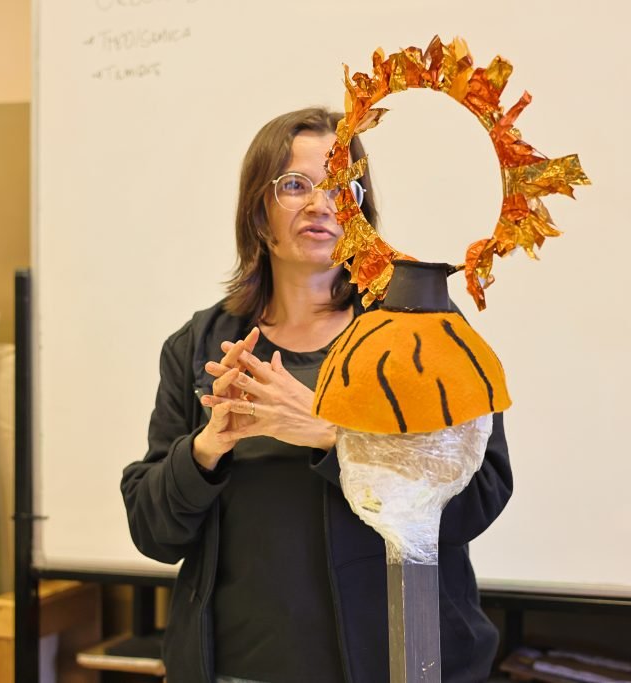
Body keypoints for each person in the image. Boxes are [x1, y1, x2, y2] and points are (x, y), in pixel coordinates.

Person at [120, 107, 514, 683]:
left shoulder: (423, 327)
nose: (320, 203)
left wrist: (335, 436)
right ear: (257, 212)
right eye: (295, 185)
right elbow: (154, 531)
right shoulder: (199, 345)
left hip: (397, 667)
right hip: (235, 668)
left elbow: (478, 497)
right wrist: (206, 448)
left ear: (361, 209)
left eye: (338, 185)